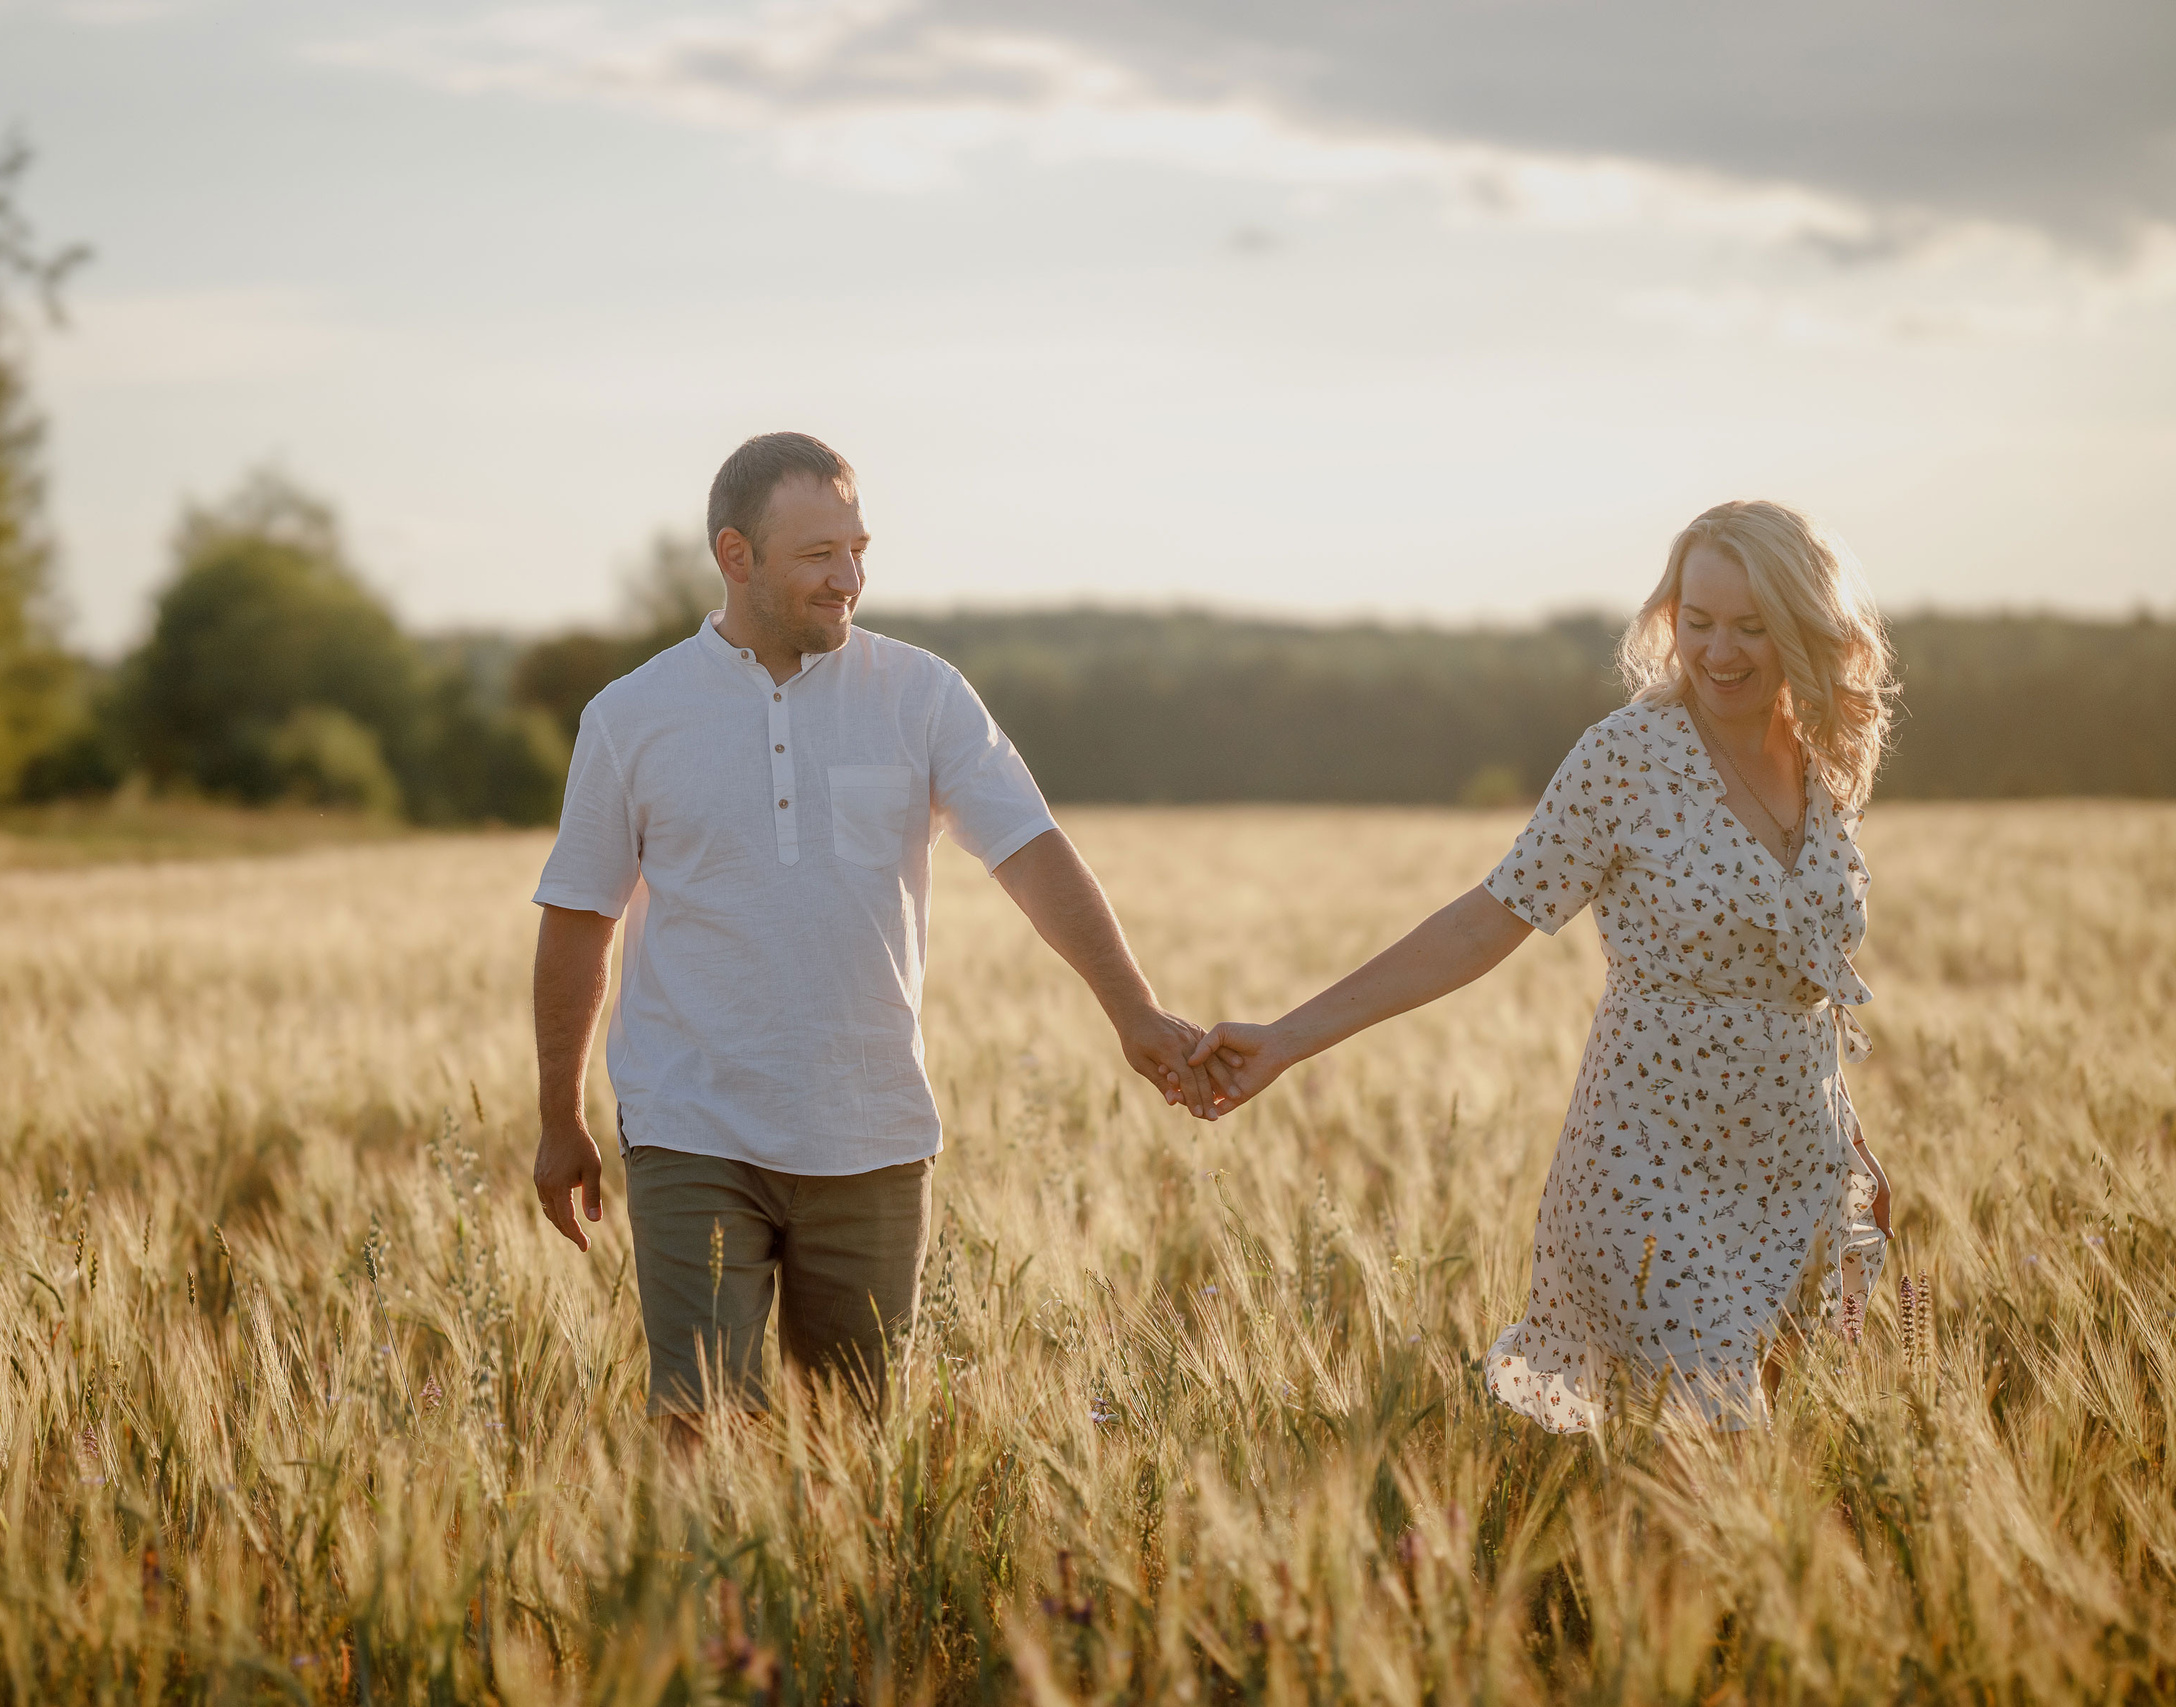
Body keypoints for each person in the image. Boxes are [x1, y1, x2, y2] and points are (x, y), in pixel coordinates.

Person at [529, 431, 1215, 1436]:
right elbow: (579, 921)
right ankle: (705, 1598)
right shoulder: (632, 716)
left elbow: (1029, 850)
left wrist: (1133, 1008)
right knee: (698, 1422)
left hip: (872, 1131)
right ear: (735, 556)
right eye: (818, 555)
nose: (848, 577)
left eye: (857, 548)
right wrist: (559, 1114)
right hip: (691, 1125)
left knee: (855, 1440)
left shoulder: (922, 695)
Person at [1191, 500, 1898, 1432]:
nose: (1719, 651)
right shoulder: (1627, 759)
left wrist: (1849, 1144)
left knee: (1756, 1459)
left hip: (1794, 1165)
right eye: (1697, 622)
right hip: (1650, 1164)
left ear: (1804, 625)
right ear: (1667, 617)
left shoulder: (1824, 760)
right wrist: (1287, 1037)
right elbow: (1481, 926)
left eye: (1751, 626)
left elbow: (1798, 985)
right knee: (1717, 1444)